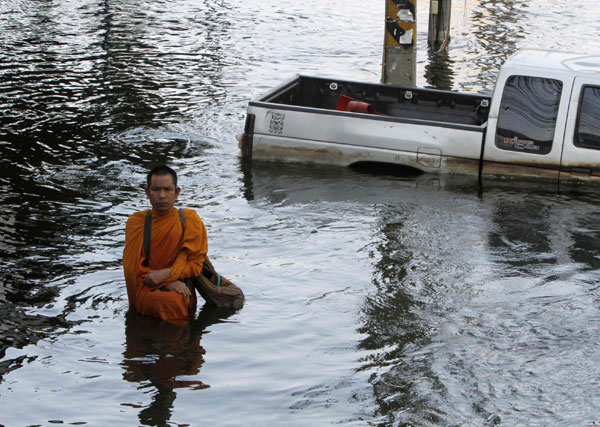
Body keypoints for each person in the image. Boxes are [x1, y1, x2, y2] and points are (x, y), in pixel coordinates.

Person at [123, 165, 208, 321]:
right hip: (146, 288)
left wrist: (166, 275)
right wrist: (167, 282)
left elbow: (195, 264)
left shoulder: (190, 219)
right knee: (158, 302)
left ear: (176, 192)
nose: (162, 195)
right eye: (156, 189)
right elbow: (132, 269)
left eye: (167, 189)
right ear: (147, 193)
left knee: (174, 301)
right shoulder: (136, 222)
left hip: (180, 289)